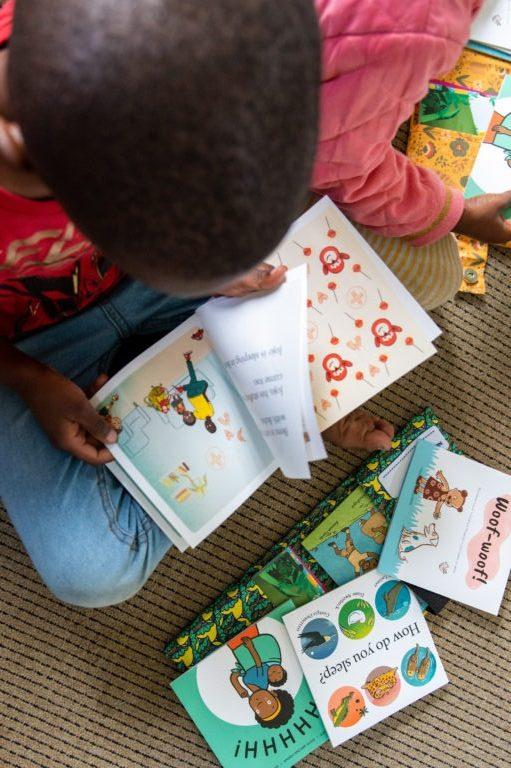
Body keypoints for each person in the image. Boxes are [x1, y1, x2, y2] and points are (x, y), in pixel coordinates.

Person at [0, 0, 507, 607]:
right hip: (33, 347)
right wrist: (28, 379)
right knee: (95, 570)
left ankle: (264, 398)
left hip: (151, 270)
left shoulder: (141, 79)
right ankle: (268, 414)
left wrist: (210, 262)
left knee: (420, 277)